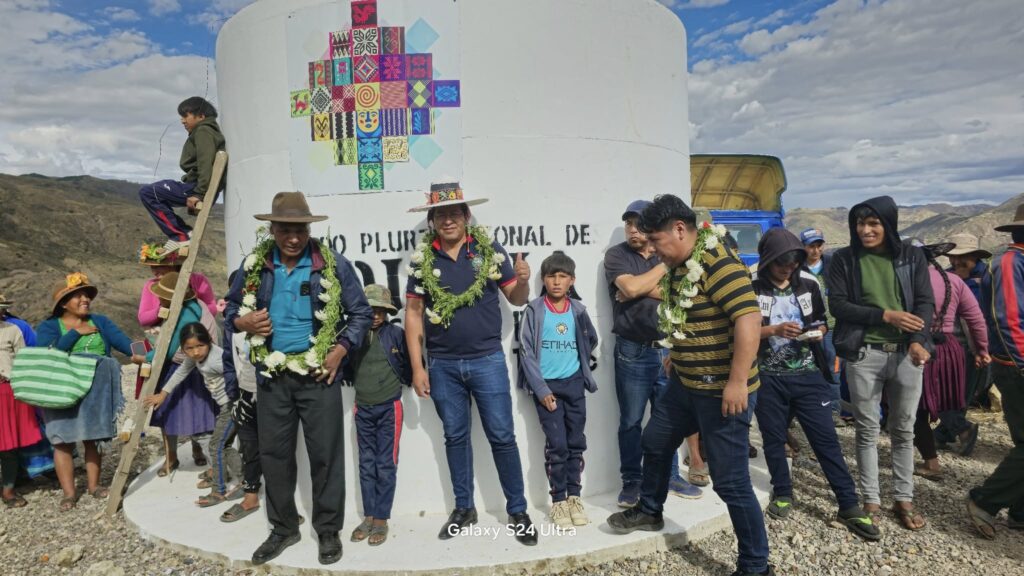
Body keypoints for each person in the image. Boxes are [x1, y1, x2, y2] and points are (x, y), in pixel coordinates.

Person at [607, 195, 772, 576]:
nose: (651, 249)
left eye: (656, 241)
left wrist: (736, 381)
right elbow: (688, 312)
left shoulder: (718, 263)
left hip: (722, 392)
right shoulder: (679, 266)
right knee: (655, 440)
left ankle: (756, 565)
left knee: (730, 483)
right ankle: (650, 510)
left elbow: (747, 320)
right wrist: (678, 351)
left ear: (680, 230)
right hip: (685, 383)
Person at [225, 191, 372, 565]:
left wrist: (339, 352)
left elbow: (360, 314)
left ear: (309, 229)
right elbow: (229, 308)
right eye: (285, 229)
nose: (293, 237)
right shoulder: (256, 265)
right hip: (272, 377)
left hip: (318, 375)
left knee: (325, 455)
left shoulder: (331, 265)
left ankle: (327, 531)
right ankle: (284, 528)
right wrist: (242, 321)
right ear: (271, 229)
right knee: (274, 454)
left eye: (300, 229)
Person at [404, 181, 538, 545]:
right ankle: (464, 507)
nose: (448, 220)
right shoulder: (423, 259)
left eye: (454, 213)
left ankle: (518, 510)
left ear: (466, 216)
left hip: (487, 359)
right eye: (441, 215)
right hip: (443, 364)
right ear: (432, 220)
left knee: (502, 437)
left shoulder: (488, 249)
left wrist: (524, 282)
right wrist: (418, 367)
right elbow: (413, 314)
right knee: (455, 437)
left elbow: (515, 297)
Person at [750, 229, 880, 541]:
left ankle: (848, 505)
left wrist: (818, 331)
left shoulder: (809, 283)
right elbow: (743, 332)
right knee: (773, 439)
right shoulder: (751, 287)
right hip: (768, 377)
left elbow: (821, 319)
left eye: (793, 262)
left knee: (826, 441)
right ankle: (783, 491)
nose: (788, 268)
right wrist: (775, 331)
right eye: (782, 263)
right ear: (768, 260)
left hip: (809, 375)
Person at [827, 196, 934, 531]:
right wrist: (884, 315)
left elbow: (925, 302)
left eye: (873, 223)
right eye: (860, 223)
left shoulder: (911, 257)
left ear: (888, 224)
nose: (865, 230)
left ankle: (904, 498)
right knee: (867, 429)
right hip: (864, 353)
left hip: (906, 353)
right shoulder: (844, 259)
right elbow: (839, 305)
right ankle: (870, 499)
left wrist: (919, 340)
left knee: (903, 429)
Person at [604, 200, 704, 502]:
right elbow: (632, 289)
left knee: (668, 418)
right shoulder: (616, 255)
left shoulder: (669, 254)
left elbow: (678, 294)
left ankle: (669, 476)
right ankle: (632, 481)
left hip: (668, 352)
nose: (632, 229)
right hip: (632, 351)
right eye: (628, 224)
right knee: (632, 421)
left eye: (638, 224)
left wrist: (638, 286)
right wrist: (661, 270)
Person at [35, 273, 145, 511]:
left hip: (96, 390)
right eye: (77, 296)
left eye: (86, 295)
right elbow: (46, 356)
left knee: (93, 437)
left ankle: (94, 486)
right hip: (61, 389)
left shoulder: (101, 322)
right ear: (63, 304)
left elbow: (124, 343)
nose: (85, 299)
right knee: (62, 440)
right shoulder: (49, 327)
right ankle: (69, 493)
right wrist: (76, 332)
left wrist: (144, 353)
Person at [518, 252, 598, 528]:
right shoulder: (534, 310)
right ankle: (559, 501)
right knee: (558, 446)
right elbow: (526, 352)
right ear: (544, 279)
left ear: (571, 280)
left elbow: (591, 339)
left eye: (562, 276)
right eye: (551, 276)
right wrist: (540, 389)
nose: (556, 281)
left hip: (574, 384)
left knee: (576, 443)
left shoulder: (578, 310)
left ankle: (575, 497)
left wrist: (581, 369)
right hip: (547, 389)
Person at [966, 204, 1024, 539]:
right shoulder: (1010, 262)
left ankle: (1020, 508)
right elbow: (1009, 320)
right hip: (1016, 366)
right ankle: (984, 500)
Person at [910, 241, 989, 481]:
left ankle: (931, 461)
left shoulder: (906, 283)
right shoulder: (953, 281)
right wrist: (982, 350)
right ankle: (955, 432)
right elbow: (976, 319)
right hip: (949, 350)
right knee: (943, 397)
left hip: (918, 350)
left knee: (916, 409)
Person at [144, 322, 241, 506]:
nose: (196, 352)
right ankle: (246, 479)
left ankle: (218, 490)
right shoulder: (195, 358)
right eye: (190, 348)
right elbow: (181, 371)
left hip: (232, 406)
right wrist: (162, 395)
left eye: (200, 346)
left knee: (215, 446)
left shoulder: (217, 359)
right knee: (223, 445)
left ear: (210, 342)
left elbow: (238, 374)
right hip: (226, 406)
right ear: (183, 348)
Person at [138, 243, 217, 467]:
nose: (156, 272)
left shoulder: (191, 298)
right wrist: (162, 313)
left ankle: (198, 448)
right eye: (154, 268)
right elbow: (144, 318)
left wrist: (150, 357)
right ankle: (171, 456)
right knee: (171, 410)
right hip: (176, 357)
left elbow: (173, 343)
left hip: (185, 355)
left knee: (194, 406)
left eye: (162, 267)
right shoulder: (158, 290)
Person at [347, 284, 411, 547]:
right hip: (362, 408)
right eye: (369, 309)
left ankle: (382, 518)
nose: (374, 315)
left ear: (387, 312)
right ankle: (369, 515)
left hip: (389, 408)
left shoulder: (395, 334)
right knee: (366, 463)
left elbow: (408, 361)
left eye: (380, 310)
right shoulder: (353, 334)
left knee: (385, 463)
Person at [139, 97, 226, 254]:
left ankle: (180, 235)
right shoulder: (206, 131)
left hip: (196, 186)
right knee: (152, 191)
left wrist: (199, 193)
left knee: (148, 192)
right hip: (196, 185)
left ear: (201, 116)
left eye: (186, 116)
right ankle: (183, 232)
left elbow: (205, 162)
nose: (182, 121)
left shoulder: (203, 131)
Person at [934, 232, 993, 451]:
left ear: (975, 256)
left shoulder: (987, 279)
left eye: (963, 257)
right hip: (950, 344)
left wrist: (983, 348)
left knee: (957, 395)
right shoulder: (947, 277)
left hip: (975, 347)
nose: (957, 261)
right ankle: (944, 435)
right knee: (950, 395)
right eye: (953, 257)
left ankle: (959, 430)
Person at [220, 272, 262, 524]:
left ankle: (286, 501)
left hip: (272, 393)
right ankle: (251, 494)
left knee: (277, 449)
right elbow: (229, 360)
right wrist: (233, 394)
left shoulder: (269, 317)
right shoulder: (232, 326)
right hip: (246, 392)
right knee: (249, 445)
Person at [0, 297, 43, 508]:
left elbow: (23, 360)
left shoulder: (12, 330)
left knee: (7, 444)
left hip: (7, 390)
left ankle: (8, 489)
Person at [799, 228, 842, 413]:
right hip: (807, 328)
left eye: (819, 246)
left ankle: (833, 410)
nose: (815, 250)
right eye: (811, 246)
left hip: (832, 328)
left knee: (833, 370)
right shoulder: (797, 269)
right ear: (803, 247)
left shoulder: (833, 265)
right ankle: (808, 408)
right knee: (807, 368)